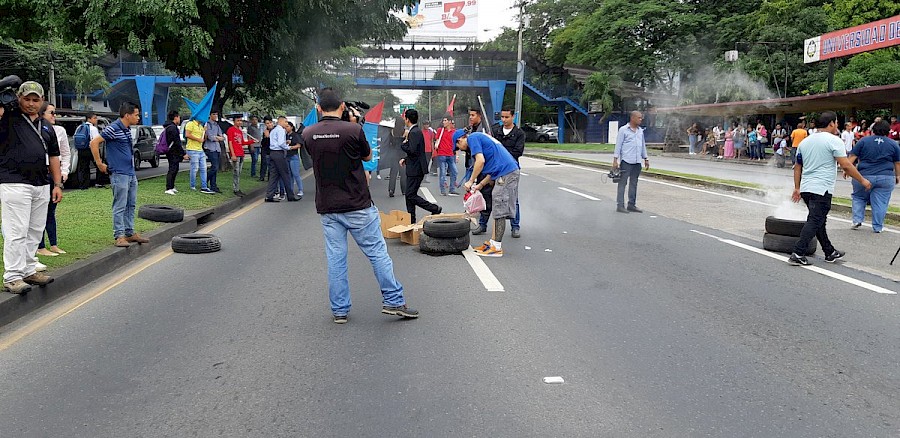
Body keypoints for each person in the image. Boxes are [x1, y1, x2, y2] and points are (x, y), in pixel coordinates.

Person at [302, 88, 419, 323]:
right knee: (377, 254)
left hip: (328, 206)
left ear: (318, 108)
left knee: (336, 259)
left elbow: (315, 157)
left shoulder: (308, 133)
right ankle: (394, 302)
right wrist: (354, 125)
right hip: (357, 204)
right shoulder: (354, 130)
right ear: (343, 106)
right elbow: (367, 158)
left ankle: (339, 311)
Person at [0, 82, 63, 293]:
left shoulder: (46, 126)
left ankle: (28, 269)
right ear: (18, 98)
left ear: (42, 101)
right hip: (14, 181)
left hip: (41, 183)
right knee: (16, 230)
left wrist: (57, 184)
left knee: (35, 230)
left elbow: (54, 156)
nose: (31, 104)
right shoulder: (8, 118)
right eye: (27, 99)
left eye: (36, 100)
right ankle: (12, 276)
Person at [788, 111, 872, 266]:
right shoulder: (834, 141)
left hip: (806, 187)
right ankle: (798, 252)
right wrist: (862, 180)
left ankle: (829, 252)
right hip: (822, 188)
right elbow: (845, 164)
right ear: (832, 123)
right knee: (815, 220)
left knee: (819, 220)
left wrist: (797, 188)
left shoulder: (805, 142)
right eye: (837, 123)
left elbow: (797, 167)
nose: (837, 126)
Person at [89, 102, 150, 248]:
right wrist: (99, 163)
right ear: (127, 115)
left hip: (129, 172)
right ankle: (119, 235)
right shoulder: (113, 128)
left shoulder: (127, 129)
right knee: (120, 205)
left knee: (131, 204)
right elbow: (94, 143)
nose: (138, 118)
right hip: (119, 173)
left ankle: (129, 232)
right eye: (136, 115)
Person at [454, 129, 520, 257]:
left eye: (457, 146)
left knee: (499, 207)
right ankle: (493, 242)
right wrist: (480, 185)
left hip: (506, 174)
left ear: (460, 139)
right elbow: (492, 168)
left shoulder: (473, 138)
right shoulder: (479, 137)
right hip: (505, 172)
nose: (460, 149)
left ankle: (496, 247)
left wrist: (471, 181)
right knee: (497, 206)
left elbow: (480, 161)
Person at [846, 120, 900, 233]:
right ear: (888, 130)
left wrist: (848, 169)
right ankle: (877, 227)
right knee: (880, 201)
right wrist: (897, 175)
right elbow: (897, 163)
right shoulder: (893, 144)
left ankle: (857, 220)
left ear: (873, 129)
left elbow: (852, 157)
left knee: (859, 197)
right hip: (885, 176)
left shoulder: (863, 141)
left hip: (863, 175)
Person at [36, 103, 70, 257]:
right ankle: (40, 246)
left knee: (51, 210)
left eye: (55, 113)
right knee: (39, 211)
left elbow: (65, 153)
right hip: (40, 173)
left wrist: (64, 172)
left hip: (53, 174)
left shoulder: (59, 131)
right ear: (42, 114)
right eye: (51, 113)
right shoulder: (35, 129)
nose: (54, 116)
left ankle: (54, 244)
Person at [400, 109, 441, 222]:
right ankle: (411, 219)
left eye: (405, 118)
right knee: (409, 195)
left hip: (415, 170)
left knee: (410, 195)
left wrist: (403, 145)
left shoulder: (414, 132)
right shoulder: (416, 131)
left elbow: (412, 150)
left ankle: (434, 208)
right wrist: (406, 159)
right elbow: (416, 151)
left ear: (407, 119)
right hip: (414, 167)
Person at [491, 107, 525, 238]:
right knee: (492, 196)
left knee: (512, 197)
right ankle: (483, 224)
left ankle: (515, 226)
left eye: (507, 117)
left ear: (513, 117)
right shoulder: (496, 131)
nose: (504, 120)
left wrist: (503, 155)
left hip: (511, 169)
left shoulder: (519, 133)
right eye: (502, 117)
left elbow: (518, 151)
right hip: (497, 169)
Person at [613, 111, 650, 213]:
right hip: (626, 161)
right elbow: (618, 145)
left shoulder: (640, 131)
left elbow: (642, 145)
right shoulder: (623, 130)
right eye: (639, 118)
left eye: (641, 118)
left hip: (637, 161)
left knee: (634, 183)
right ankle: (620, 205)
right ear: (632, 118)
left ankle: (631, 204)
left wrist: (645, 158)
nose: (640, 119)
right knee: (622, 183)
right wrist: (615, 160)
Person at [265, 116, 298, 202]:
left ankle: (269, 196)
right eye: (286, 122)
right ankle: (290, 196)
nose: (286, 124)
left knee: (273, 175)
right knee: (285, 174)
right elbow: (280, 143)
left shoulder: (274, 130)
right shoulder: (280, 130)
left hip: (272, 153)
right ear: (281, 121)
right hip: (279, 153)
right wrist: (288, 147)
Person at [184, 113, 214, 194]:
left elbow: (203, 139)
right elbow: (187, 134)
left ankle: (204, 187)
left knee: (204, 168)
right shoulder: (190, 124)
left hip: (200, 150)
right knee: (195, 169)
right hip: (192, 149)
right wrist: (198, 139)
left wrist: (205, 132)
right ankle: (192, 186)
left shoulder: (201, 126)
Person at [226, 115, 254, 197]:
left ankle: (237, 188)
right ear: (234, 121)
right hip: (236, 154)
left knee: (239, 172)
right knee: (236, 172)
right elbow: (230, 142)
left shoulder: (240, 131)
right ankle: (236, 189)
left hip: (241, 153)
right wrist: (233, 154)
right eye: (238, 120)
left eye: (240, 121)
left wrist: (251, 141)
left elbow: (242, 142)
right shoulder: (231, 130)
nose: (239, 122)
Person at [74, 112, 101, 189]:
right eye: (94, 118)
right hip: (91, 149)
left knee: (83, 168)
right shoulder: (93, 128)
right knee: (99, 165)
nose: (96, 120)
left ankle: (83, 185)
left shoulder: (79, 127)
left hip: (81, 150)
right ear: (89, 119)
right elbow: (96, 140)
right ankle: (98, 182)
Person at [163, 111, 187, 195]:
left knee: (175, 169)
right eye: (179, 117)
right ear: (175, 117)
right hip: (173, 151)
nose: (180, 119)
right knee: (172, 169)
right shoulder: (172, 128)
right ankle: (168, 188)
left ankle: (172, 186)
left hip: (172, 151)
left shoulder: (169, 127)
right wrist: (183, 153)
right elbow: (176, 142)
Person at [434, 116, 458, 196]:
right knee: (443, 173)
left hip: (451, 154)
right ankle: (443, 190)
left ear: (450, 122)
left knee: (454, 172)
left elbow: (456, 144)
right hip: (442, 154)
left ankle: (452, 189)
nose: (443, 122)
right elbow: (437, 139)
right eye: (443, 120)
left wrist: (456, 154)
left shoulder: (454, 132)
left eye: (445, 120)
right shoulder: (440, 130)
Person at [204, 110, 225, 193]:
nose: (215, 115)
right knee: (215, 167)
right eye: (214, 114)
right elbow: (210, 137)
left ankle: (213, 185)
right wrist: (217, 137)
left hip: (217, 148)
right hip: (210, 148)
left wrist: (217, 137)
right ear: (210, 115)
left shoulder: (217, 125)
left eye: (216, 114)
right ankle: (205, 181)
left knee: (215, 168)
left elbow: (222, 137)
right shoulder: (207, 124)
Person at [286, 121, 305, 199]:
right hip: (286, 156)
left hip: (293, 156)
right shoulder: (284, 135)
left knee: (295, 174)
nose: (286, 128)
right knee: (289, 175)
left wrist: (291, 147)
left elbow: (299, 145)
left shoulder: (295, 135)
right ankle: (290, 190)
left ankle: (300, 190)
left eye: (287, 126)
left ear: (291, 127)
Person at [259, 117, 272, 181]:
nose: (269, 124)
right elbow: (263, 142)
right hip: (264, 148)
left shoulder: (274, 130)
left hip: (271, 149)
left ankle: (270, 177)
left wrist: (269, 136)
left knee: (271, 164)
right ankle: (262, 176)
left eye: (270, 123)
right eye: (267, 123)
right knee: (263, 162)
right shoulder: (265, 131)